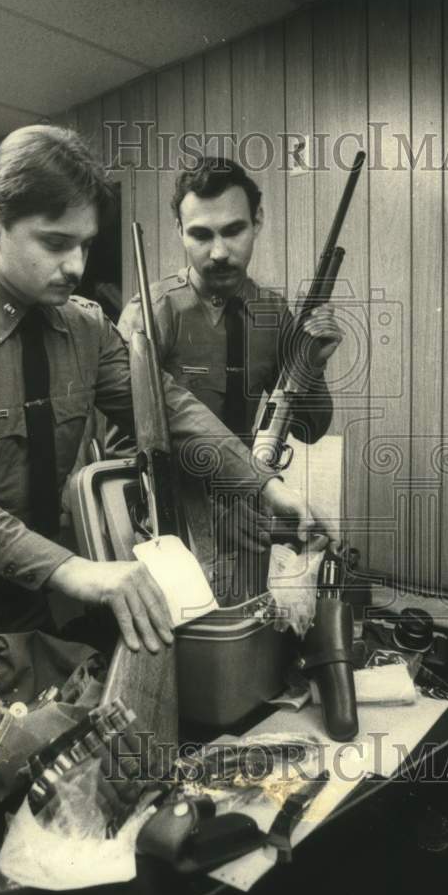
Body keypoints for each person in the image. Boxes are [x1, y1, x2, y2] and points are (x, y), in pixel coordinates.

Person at [0, 125, 319, 650]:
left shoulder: (85, 328)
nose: (77, 267)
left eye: (85, 245)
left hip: (41, 598)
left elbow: (166, 404)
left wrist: (265, 485)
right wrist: (67, 568)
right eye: (56, 243)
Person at [109, 157, 343, 599]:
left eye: (233, 230)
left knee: (246, 644)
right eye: (200, 234)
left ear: (257, 222)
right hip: (174, 525)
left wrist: (312, 363)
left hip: (252, 514)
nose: (218, 252)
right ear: (179, 231)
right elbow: (121, 448)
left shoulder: (274, 314)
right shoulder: (153, 312)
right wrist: (204, 509)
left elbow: (311, 428)